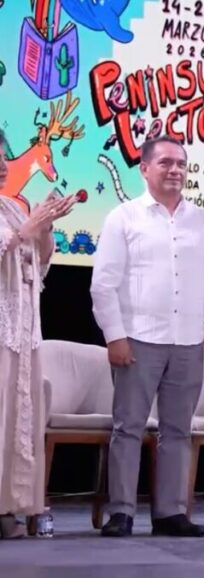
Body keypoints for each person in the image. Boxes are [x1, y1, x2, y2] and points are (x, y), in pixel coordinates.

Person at [91, 135, 204, 537]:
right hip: (138, 340)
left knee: (177, 431)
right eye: (166, 163)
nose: (175, 171)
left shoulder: (202, 221)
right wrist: (114, 336)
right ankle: (121, 512)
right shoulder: (124, 217)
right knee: (128, 428)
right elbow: (104, 284)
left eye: (181, 164)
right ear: (145, 169)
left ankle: (170, 513)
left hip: (188, 342)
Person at [0, 128, 77, 539]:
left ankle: (7, 509)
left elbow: (38, 261)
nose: (1, 166)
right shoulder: (15, 218)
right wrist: (28, 229)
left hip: (22, 329)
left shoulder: (11, 209)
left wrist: (45, 228)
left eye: (2, 157)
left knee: (15, 419)